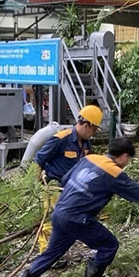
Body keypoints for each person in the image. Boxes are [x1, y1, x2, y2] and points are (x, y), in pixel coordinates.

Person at [11, 137, 139, 277]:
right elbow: (138, 195)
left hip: (59, 212)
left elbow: (65, 179)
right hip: (77, 218)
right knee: (109, 245)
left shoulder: (89, 159)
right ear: (124, 156)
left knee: (50, 254)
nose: (127, 163)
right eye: (128, 159)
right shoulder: (113, 172)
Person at [33, 105, 103, 264]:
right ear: (86, 125)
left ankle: (57, 253)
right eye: (93, 130)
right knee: (51, 222)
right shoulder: (60, 139)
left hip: (71, 189)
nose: (93, 134)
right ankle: (47, 257)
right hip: (53, 186)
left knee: (67, 222)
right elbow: (38, 160)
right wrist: (38, 184)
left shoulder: (85, 144)